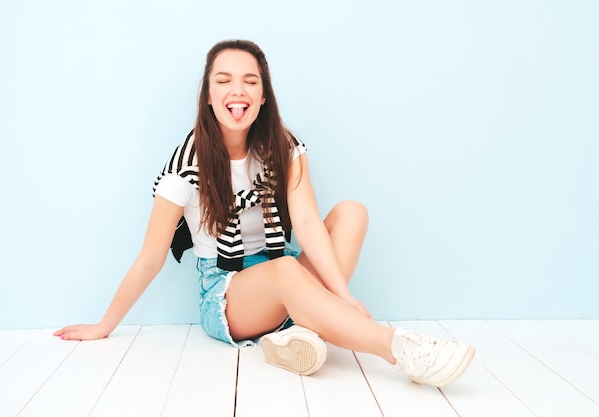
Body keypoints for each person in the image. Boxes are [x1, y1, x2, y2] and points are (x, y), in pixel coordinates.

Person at [54, 39, 475, 387]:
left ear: (262, 95)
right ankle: (400, 349)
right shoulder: (185, 167)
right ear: (208, 96)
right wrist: (103, 325)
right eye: (224, 80)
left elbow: (308, 223)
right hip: (226, 292)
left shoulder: (283, 146)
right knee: (286, 272)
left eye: (249, 81)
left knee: (351, 213)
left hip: (281, 270)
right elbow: (150, 258)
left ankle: (299, 332)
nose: (237, 90)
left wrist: (344, 297)